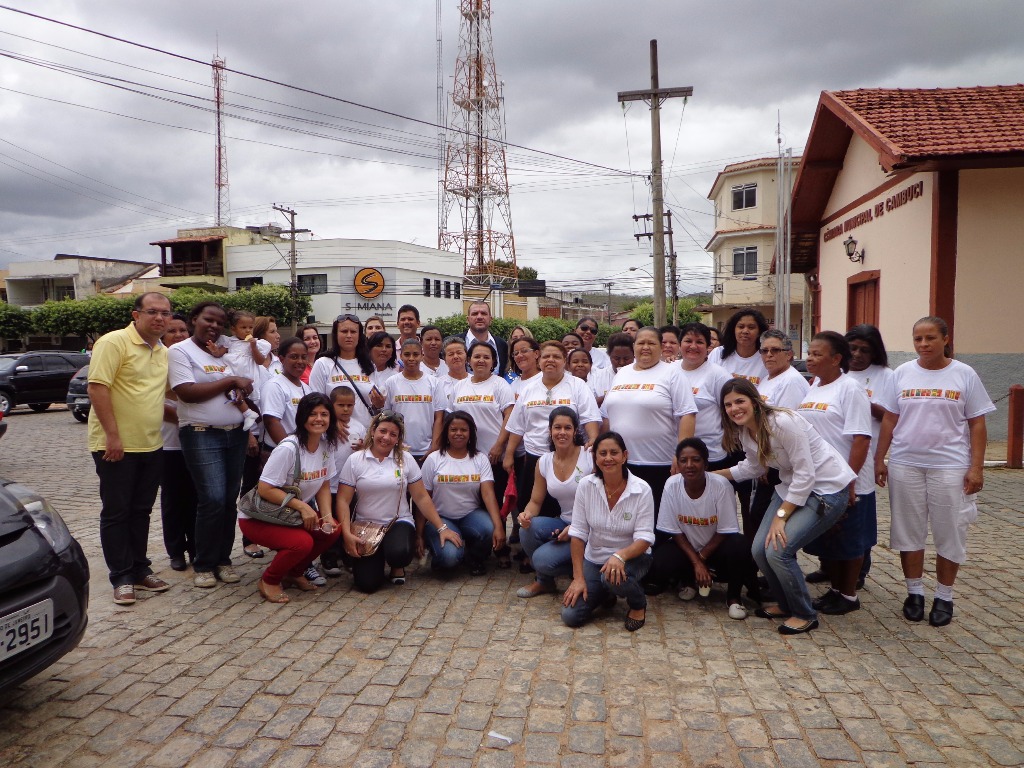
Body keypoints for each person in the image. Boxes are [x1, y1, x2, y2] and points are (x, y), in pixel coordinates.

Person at [874, 316, 995, 627]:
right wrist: (879, 459)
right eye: (918, 339)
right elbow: (889, 419)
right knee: (908, 530)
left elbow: (977, 423)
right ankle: (914, 592)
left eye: (930, 338)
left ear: (945, 339)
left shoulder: (963, 374)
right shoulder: (902, 373)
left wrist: (976, 467)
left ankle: (944, 596)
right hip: (906, 463)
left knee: (950, 530)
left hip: (950, 465)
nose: (924, 345)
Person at [715, 378, 855, 635]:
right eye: (728, 404)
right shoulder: (746, 431)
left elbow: (806, 473)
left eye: (740, 401)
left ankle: (804, 613)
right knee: (759, 550)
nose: (734, 408)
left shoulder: (782, 422)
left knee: (778, 551)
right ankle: (785, 602)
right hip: (793, 487)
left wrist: (781, 516)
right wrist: (712, 474)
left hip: (826, 490)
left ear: (755, 402)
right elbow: (754, 467)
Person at [88, 292, 173, 605]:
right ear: (136, 315)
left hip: (152, 444)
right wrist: (112, 435)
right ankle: (121, 577)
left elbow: (166, 397)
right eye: (152, 311)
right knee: (117, 512)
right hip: (116, 447)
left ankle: (140, 569)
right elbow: (97, 388)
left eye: (165, 312)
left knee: (141, 511)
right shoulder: (113, 343)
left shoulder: (162, 351)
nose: (160, 318)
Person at [168, 301, 254, 589]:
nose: (214, 327)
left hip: (235, 433)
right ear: (194, 319)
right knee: (212, 499)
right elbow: (187, 392)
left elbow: (244, 383)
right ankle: (203, 563)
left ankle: (223, 560)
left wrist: (239, 381)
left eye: (219, 323)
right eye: (209, 320)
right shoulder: (180, 351)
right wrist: (230, 379)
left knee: (229, 501)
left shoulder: (222, 353)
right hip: (202, 434)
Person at [337, 411, 462, 592]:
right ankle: (376, 557)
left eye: (393, 434)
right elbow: (343, 499)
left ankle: (397, 564)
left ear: (398, 439)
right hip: (366, 525)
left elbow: (421, 497)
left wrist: (441, 528)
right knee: (367, 585)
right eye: (382, 431)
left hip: (398, 521)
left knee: (399, 553)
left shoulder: (405, 459)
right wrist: (346, 533)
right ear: (373, 431)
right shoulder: (355, 460)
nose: (386, 438)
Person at [238, 393, 343, 604]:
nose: (319, 419)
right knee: (301, 543)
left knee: (331, 530)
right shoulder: (288, 448)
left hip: (291, 514)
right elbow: (265, 488)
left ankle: (294, 572)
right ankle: (269, 580)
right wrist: (302, 506)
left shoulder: (326, 446)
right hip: (260, 517)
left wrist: (328, 516)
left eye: (324, 414)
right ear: (302, 417)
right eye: (313, 414)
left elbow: (323, 483)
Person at [797, 332, 873, 615]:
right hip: (822, 480)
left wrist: (849, 480)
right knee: (833, 537)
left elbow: (861, 438)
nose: (810, 358)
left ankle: (849, 595)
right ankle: (835, 589)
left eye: (817, 354)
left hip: (848, 480)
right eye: (810, 352)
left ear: (837, 359)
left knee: (850, 539)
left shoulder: (849, 389)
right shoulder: (814, 386)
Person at [561, 432, 655, 631]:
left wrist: (619, 556)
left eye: (614, 452)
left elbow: (645, 538)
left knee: (610, 576)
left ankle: (638, 604)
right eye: (602, 453)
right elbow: (577, 534)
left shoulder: (642, 489)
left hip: (633, 557)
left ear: (625, 456)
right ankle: (606, 592)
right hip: (595, 560)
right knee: (571, 616)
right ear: (595, 458)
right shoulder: (586, 486)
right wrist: (578, 579)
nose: (608, 458)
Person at [646, 438, 749, 620]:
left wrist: (701, 559)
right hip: (688, 548)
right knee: (661, 560)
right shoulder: (671, 484)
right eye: (683, 460)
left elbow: (725, 529)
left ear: (706, 463)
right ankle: (688, 581)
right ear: (677, 463)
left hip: (717, 547)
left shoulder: (721, 485)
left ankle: (733, 598)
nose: (689, 465)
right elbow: (674, 530)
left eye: (696, 459)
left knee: (740, 546)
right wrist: (696, 562)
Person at [504, 341, 601, 524]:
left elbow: (589, 417)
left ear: (565, 361)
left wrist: (594, 439)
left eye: (556, 356)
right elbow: (517, 426)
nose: (551, 360)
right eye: (546, 356)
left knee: (567, 509)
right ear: (539, 359)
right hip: (535, 457)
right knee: (533, 508)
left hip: (569, 458)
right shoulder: (529, 389)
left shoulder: (577, 385)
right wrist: (509, 454)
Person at [601, 326, 697, 512]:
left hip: (659, 463)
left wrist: (681, 454)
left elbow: (687, 414)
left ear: (661, 347)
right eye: (641, 343)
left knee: (655, 521)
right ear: (634, 346)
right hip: (621, 464)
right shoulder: (622, 373)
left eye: (651, 343)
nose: (645, 347)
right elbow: (607, 414)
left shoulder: (672, 374)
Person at [831, 323, 894, 587]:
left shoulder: (885, 375)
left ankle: (859, 571)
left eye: (864, 350)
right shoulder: (836, 373)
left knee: (859, 516)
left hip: (865, 456)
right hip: (834, 456)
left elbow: (892, 416)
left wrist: (863, 403)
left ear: (875, 353)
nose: (857, 354)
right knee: (833, 517)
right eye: (852, 348)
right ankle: (829, 567)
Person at [516, 407, 593, 598]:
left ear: (576, 431)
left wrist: (576, 527)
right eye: (557, 427)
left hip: (592, 526)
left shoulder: (590, 457)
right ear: (550, 431)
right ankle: (544, 582)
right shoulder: (544, 461)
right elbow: (535, 501)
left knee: (542, 560)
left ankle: (589, 572)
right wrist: (526, 515)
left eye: (568, 427)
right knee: (527, 529)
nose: (562, 432)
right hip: (564, 521)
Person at [421, 412, 505, 575]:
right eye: (453, 429)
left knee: (488, 529)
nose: (458, 433)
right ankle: (439, 555)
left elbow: (488, 494)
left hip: (470, 516)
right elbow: (424, 498)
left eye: (463, 430)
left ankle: (474, 557)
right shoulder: (433, 459)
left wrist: (499, 525)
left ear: (471, 433)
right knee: (450, 558)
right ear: (446, 432)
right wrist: (418, 534)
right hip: (440, 518)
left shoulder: (480, 458)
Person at [450, 341, 514, 508]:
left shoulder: (500, 384)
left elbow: (510, 415)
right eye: (476, 356)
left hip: (493, 456)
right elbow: (450, 419)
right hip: (464, 456)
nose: (481, 360)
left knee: (492, 502)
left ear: (494, 362)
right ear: (469, 360)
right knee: (468, 502)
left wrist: (499, 445)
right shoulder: (459, 386)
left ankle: (496, 533)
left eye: (486, 357)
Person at [159, 313, 197, 572]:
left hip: (195, 443)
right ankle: (175, 550)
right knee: (173, 500)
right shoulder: (159, 362)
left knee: (196, 498)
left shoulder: (192, 359)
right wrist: (189, 418)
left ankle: (196, 547)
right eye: (172, 331)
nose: (179, 335)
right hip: (169, 444)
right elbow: (157, 405)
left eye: (183, 330)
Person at [378, 338, 448, 461]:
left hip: (427, 451)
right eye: (407, 354)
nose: (411, 358)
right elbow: (386, 416)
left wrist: (435, 446)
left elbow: (439, 418)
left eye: (416, 354)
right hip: (398, 449)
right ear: (401, 357)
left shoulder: (434, 383)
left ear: (422, 356)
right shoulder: (391, 382)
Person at [677, 322, 733, 470]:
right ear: (680, 344)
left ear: (708, 346)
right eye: (688, 341)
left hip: (710, 454)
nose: (693, 346)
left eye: (700, 342)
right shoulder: (669, 371)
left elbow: (731, 412)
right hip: (672, 453)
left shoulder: (718, 375)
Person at [310, 314, 375, 425]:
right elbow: (316, 403)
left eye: (353, 332)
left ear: (360, 335)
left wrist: (378, 404)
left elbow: (375, 406)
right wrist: (333, 424)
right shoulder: (323, 364)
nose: (349, 335)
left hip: (365, 435)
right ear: (335, 335)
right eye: (344, 331)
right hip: (334, 435)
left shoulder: (369, 365)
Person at [709, 308, 769, 385]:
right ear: (733, 330)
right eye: (741, 327)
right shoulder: (718, 353)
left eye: (751, 327)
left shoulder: (766, 357)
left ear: (759, 332)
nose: (745, 331)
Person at [756, 329, 810, 409]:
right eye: (764, 351)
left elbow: (787, 419)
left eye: (775, 350)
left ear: (789, 355)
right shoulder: (766, 379)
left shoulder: (791, 381)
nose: (769, 354)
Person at [466, 301, 509, 375]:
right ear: (468, 320)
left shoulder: (502, 345)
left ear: (490, 319)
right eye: (475, 314)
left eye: (484, 313)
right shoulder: (455, 342)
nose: (479, 317)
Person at [440, 336, 469, 403]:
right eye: (451, 354)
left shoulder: (476, 381)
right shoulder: (439, 384)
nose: (455, 357)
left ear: (467, 356)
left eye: (459, 353)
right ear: (444, 359)